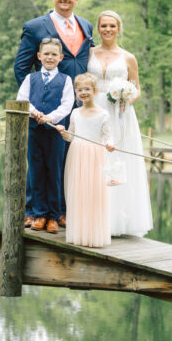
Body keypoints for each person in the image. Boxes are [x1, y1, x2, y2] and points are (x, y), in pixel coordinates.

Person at [14, 0, 93, 225]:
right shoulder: (35, 26)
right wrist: (36, 104)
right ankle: (32, 211)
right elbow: (21, 69)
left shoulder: (86, 26)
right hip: (44, 109)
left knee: (67, 161)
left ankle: (61, 211)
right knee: (38, 160)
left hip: (77, 107)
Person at [87, 10, 153, 237]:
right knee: (94, 160)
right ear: (98, 28)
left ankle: (119, 221)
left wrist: (127, 98)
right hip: (93, 111)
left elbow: (137, 87)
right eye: (103, 26)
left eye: (112, 26)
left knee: (118, 161)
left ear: (119, 28)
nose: (107, 30)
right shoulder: (89, 54)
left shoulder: (128, 57)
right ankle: (93, 217)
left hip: (119, 113)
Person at [17, 37, 74, 234]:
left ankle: (53, 216)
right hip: (34, 131)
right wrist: (36, 113)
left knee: (54, 172)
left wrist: (49, 117)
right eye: (46, 54)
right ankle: (39, 214)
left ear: (61, 57)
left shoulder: (66, 80)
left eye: (54, 54)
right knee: (36, 171)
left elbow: (67, 105)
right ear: (39, 56)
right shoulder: (30, 79)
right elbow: (22, 99)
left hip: (55, 133)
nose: (50, 57)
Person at [57, 73, 114, 248]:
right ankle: (79, 234)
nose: (83, 92)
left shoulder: (103, 114)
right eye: (80, 89)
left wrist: (109, 144)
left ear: (95, 91)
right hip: (77, 155)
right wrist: (63, 132)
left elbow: (107, 137)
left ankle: (94, 236)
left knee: (94, 194)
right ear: (76, 92)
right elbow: (71, 137)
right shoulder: (75, 113)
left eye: (87, 89)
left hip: (95, 157)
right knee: (79, 193)